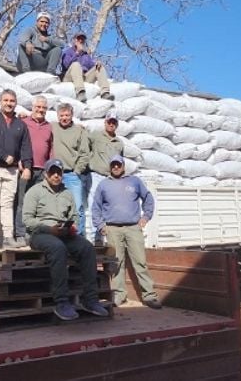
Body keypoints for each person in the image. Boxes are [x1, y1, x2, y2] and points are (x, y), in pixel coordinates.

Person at [23, 158, 109, 320]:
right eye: (52, 172)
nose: (56, 175)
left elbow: (74, 216)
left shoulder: (67, 193)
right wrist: (49, 229)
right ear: (45, 174)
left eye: (59, 172)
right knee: (57, 248)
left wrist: (73, 227)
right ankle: (61, 302)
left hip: (63, 233)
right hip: (40, 234)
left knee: (87, 247)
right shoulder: (34, 192)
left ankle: (90, 300)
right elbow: (27, 220)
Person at [92, 155, 162, 309]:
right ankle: (118, 295)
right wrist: (100, 225)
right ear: (110, 167)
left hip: (133, 228)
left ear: (123, 166)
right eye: (113, 165)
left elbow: (148, 198)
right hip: (112, 229)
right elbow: (96, 207)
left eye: (118, 164)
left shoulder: (134, 181)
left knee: (140, 262)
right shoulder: (104, 185)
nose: (116, 167)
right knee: (116, 264)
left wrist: (146, 217)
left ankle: (149, 296)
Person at [0, 89, 33, 249]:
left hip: (12, 170)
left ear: (16, 103)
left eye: (12, 101)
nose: (9, 103)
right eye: (6, 100)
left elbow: (26, 147)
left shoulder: (21, 125)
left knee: (8, 203)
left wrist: (27, 166)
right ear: (0, 102)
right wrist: (3, 156)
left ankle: (8, 237)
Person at [13, 95, 53, 242]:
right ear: (32, 107)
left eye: (43, 108)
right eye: (38, 107)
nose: (40, 110)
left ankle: (34, 233)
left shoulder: (49, 127)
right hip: (25, 168)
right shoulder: (23, 122)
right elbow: (16, 143)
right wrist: (18, 160)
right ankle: (20, 234)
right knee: (22, 202)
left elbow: (51, 149)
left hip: (42, 170)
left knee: (37, 204)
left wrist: (49, 170)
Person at [51, 103, 90, 237]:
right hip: (55, 175)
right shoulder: (53, 127)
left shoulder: (79, 131)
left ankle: (78, 236)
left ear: (72, 115)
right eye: (61, 115)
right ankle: (59, 236)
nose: (64, 118)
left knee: (77, 207)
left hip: (72, 175)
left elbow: (84, 153)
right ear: (57, 116)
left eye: (67, 115)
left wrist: (77, 171)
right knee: (57, 208)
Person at [86, 110, 124, 244]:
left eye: (114, 122)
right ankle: (92, 237)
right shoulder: (95, 136)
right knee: (94, 206)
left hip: (111, 179)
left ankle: (102, 237)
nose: (111, 124)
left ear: (117, 125)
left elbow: (121, 162)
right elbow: (83, 143)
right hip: (96, 176)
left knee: (108, 208)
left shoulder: (119, 143)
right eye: (109, 121)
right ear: (105, 122)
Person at [61, 32, 114, 102]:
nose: (81, 41)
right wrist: (77, 53)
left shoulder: (85, 55)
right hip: (70, 77)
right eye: (78, 39)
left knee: (99, 67)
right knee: (76, 64)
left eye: (82, 39)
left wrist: (97, 63)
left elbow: (92, 65)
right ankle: (80, 93)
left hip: (83, 77)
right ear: (74, 40)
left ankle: (105, 93)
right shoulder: (68, 51)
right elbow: (66, 65)